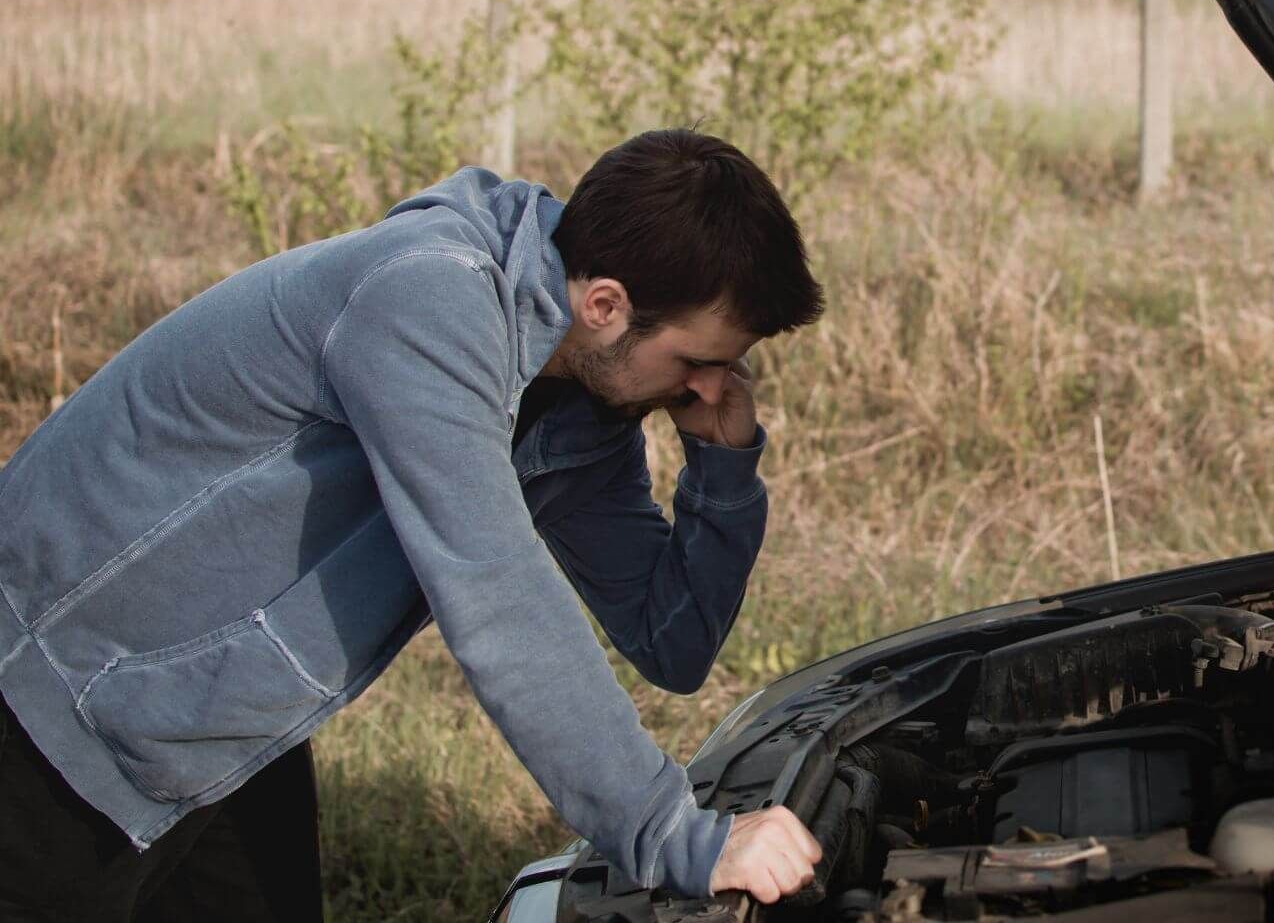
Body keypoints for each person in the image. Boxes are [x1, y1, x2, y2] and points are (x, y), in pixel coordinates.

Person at [0, 128, 827, 920]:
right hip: (61, 695)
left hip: (216, 707)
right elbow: (495, 591)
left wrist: (723, 470)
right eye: (697, 361)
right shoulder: (425, 298)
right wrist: (673, 834)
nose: (714, 387)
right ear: (606, 304)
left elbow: (671, 641)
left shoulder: (577, 403)